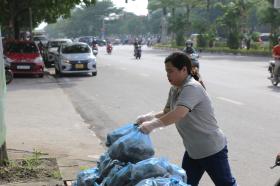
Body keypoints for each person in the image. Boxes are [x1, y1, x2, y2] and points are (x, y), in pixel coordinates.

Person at [136, 52, 237, 186]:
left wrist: (152, 125)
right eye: (166, 71)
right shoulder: (175, 89)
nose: (168, 75)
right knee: (185, 183)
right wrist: (148, 117)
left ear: (184, 69)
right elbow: (168, 111)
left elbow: (179, 113)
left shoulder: (192, 87)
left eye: (171, 71)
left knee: (225, 184)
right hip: (193, 149)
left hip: (211, 149)